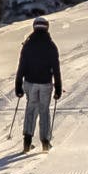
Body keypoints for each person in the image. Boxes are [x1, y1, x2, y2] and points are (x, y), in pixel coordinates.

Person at [15, 16, 62, 152]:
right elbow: (56, 69)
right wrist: (58, 88)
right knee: (44, 111)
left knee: (31, 109)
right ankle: (45, 143)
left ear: (34, 27)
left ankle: (27, 142)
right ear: (47, 27)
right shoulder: (51, 46)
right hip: (45, 84)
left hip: (30, 83)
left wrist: (18, 86)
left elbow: (21, 66)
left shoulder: (28, 45)